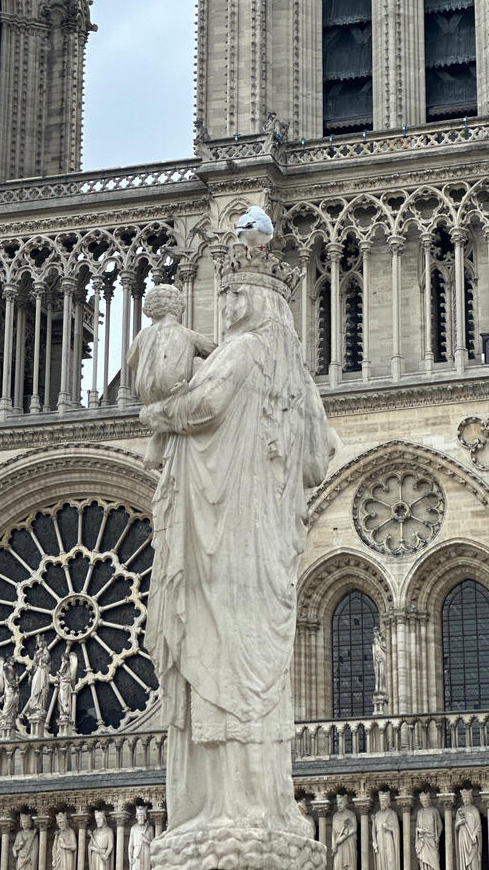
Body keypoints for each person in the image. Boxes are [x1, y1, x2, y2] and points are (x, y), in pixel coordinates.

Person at [142, 245, 336, 836]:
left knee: (215, 659)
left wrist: (156, 414)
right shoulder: (294, 372)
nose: (224, 304)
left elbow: (201, 404)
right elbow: (321, 454)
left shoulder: (245, 352)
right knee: (252, 674)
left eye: (232, 294)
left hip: (221, 538)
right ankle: (255, 805)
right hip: (264, 545)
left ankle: (220, 807)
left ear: (257, 300)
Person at [126, 284, 214, 470]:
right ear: (179, 308)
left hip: (151, 400)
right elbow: (216, 352)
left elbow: (131, 361)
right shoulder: (187, 334)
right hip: (177, 396)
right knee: (200, 365)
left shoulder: (143, 335)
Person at [373, 791, 400, 870]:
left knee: (390, 859)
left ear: (388, 802)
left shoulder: (392, 814)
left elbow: (396, 830)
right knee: (380, 860)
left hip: (388, 839)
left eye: (384, 801)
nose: (382, 803)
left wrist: (388, 828)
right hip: (379, 839)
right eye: (381, 801)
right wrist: (374, 842)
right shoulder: (377, 815)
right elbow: (374, 831)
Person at [456, 789, 482, 870]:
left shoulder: (474, 810)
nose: (465, 800)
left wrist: (475, 835)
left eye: (467, 798)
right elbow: (456, 827)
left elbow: (478, 826)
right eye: (464, 798)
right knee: (463, 861)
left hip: (472, 839)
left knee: (473, 861)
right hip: (463, 838)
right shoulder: (459, 811)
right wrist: (460, 822)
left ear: (470, 798)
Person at [416, 791, 443, 870]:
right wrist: (420, 830)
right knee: (423, 861)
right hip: (423, 840)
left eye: (426, 801)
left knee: (434, 860)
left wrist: (438, 836)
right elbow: (417, 827)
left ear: (429, 800)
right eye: (423, 801)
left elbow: (440, 826)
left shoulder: (434, 811)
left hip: (431, 839)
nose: (424, 803)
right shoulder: (419, 812)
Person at [332, 795, 358, 870]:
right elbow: (333, 833)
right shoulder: (335, 816)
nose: (338, 805)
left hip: (348, 842)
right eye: (337, 803)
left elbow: (354, 828)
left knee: (349, 864)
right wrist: (333, 844)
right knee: (338, 863)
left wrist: (344, 837)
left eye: (340, 803)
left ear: (345, 803)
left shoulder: (351, 815)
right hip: (338, 843)